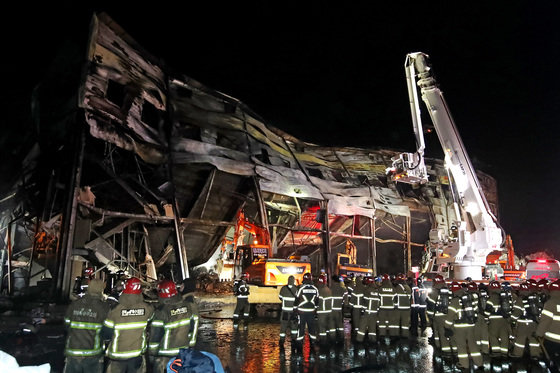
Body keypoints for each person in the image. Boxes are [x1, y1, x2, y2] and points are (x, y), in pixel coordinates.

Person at [101, 277, 154, 373]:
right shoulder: (147, 309)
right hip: (136, 356)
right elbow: (150, 324)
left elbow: (106, 334)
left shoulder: (115, 310)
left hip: (116, 357)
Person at [149, 279, 200, 373]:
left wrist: (152, 355)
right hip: (183, 352)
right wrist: (190, 345)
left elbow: (155, 336)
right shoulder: (187, 306)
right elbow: (192, 327)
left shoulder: (161, 311)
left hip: (165, 355)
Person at [63, 278, 110, 373]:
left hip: (73, 352)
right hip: (93, 354)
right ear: (101, 290)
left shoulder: (74, 304)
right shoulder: (104, 308)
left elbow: (66, 325)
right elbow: (107, 333)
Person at [444, 281, 482, 371]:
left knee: (461, 346)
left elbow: (450, 315)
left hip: (459, 327)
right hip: (471, 325)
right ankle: (479, 363)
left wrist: (446, 327)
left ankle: (464, 364)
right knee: (473, 344)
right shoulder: (469, 297)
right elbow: (476, 310)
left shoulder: (454, 300)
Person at [510, 281, 542, 359]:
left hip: (523, 324)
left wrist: (512, 320)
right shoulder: (535, 298)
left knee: (520, 339)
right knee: (533, 339)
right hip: (533, 323)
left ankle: (518, 353)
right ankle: (535, 354)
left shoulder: (520, 300)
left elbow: (517, 312)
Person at [536, 279, 560, 372]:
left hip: (552, 341)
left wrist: (538, 333)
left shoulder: (551, 303)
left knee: (552, 363)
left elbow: (545, 321)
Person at [484, 280, 511, 359]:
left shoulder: (491, 299)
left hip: (494, 321)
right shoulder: (504, 297)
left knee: (493, 336)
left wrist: (486, 319)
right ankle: (504, 353)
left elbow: (487, 311)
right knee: (504, 336)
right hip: (504, 320)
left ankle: (496, 352)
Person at [427, 274, 452, 356]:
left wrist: (430, 316)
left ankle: (443, 350)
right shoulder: (449, 289)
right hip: (448, 315)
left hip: (437, 316)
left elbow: (430, 305)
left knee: (439, 332)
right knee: (447, 332)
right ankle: (451, 349)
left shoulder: (434, 291)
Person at [295, 272, 319, 351]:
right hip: (311, 312)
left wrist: (295, 309)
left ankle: (299, 344)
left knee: (301, 327)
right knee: (312, 328)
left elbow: (297, 299)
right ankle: (313, 343)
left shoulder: (301, 288)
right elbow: (317, 301)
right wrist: (315, 309)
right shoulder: (315, 289)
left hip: (302, 312)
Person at [356, 276, 379, 344]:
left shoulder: (367, 291)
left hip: (367, 312)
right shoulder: (376, 291)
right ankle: (373, 340)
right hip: (374, 312)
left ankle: (359, 340)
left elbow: (364, 302)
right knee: (372, 327)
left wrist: (362, 311)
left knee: (362, 327)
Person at [278, 275, 298, 348]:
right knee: (294, 326)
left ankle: (282, 340)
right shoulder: (296, 289)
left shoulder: (283, 288)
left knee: (283, 326)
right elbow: (298, 299)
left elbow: (280, 297)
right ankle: (294, 340)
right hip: (293, 312)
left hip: (285, 311)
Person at [377, 273, 397, 340]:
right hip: (391, 308)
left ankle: (382, 334)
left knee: (382, 322)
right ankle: (392, 334)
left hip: (382, 308)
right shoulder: (393, 289)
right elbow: (395, 299)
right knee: (391, 322)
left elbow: (378, 298)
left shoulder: (380, 289)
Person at [316, 273, 334, 346]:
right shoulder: (329, 290)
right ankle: (329, 341)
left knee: (322, 328)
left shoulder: (320, 291)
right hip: (329, 311)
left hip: (322, 312)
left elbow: (318, 302)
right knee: (328, 327)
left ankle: (323, 342)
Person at [330, 275, 348, 344]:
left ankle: (332, 339)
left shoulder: (330, 288)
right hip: (339, 310)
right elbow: (346, 302)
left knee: (332, 325)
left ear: (333, 281)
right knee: (340, 325)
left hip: (331, 310)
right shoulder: (343, 289)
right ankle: (341, 338)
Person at [395, 273, 412, 338]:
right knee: (405, 324)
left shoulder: (398, 287)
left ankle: (396, 335)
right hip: (407, 309)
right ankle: (405, 336)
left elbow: (395, 298)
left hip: (399, 308)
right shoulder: (408, 287)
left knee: (397, 323)